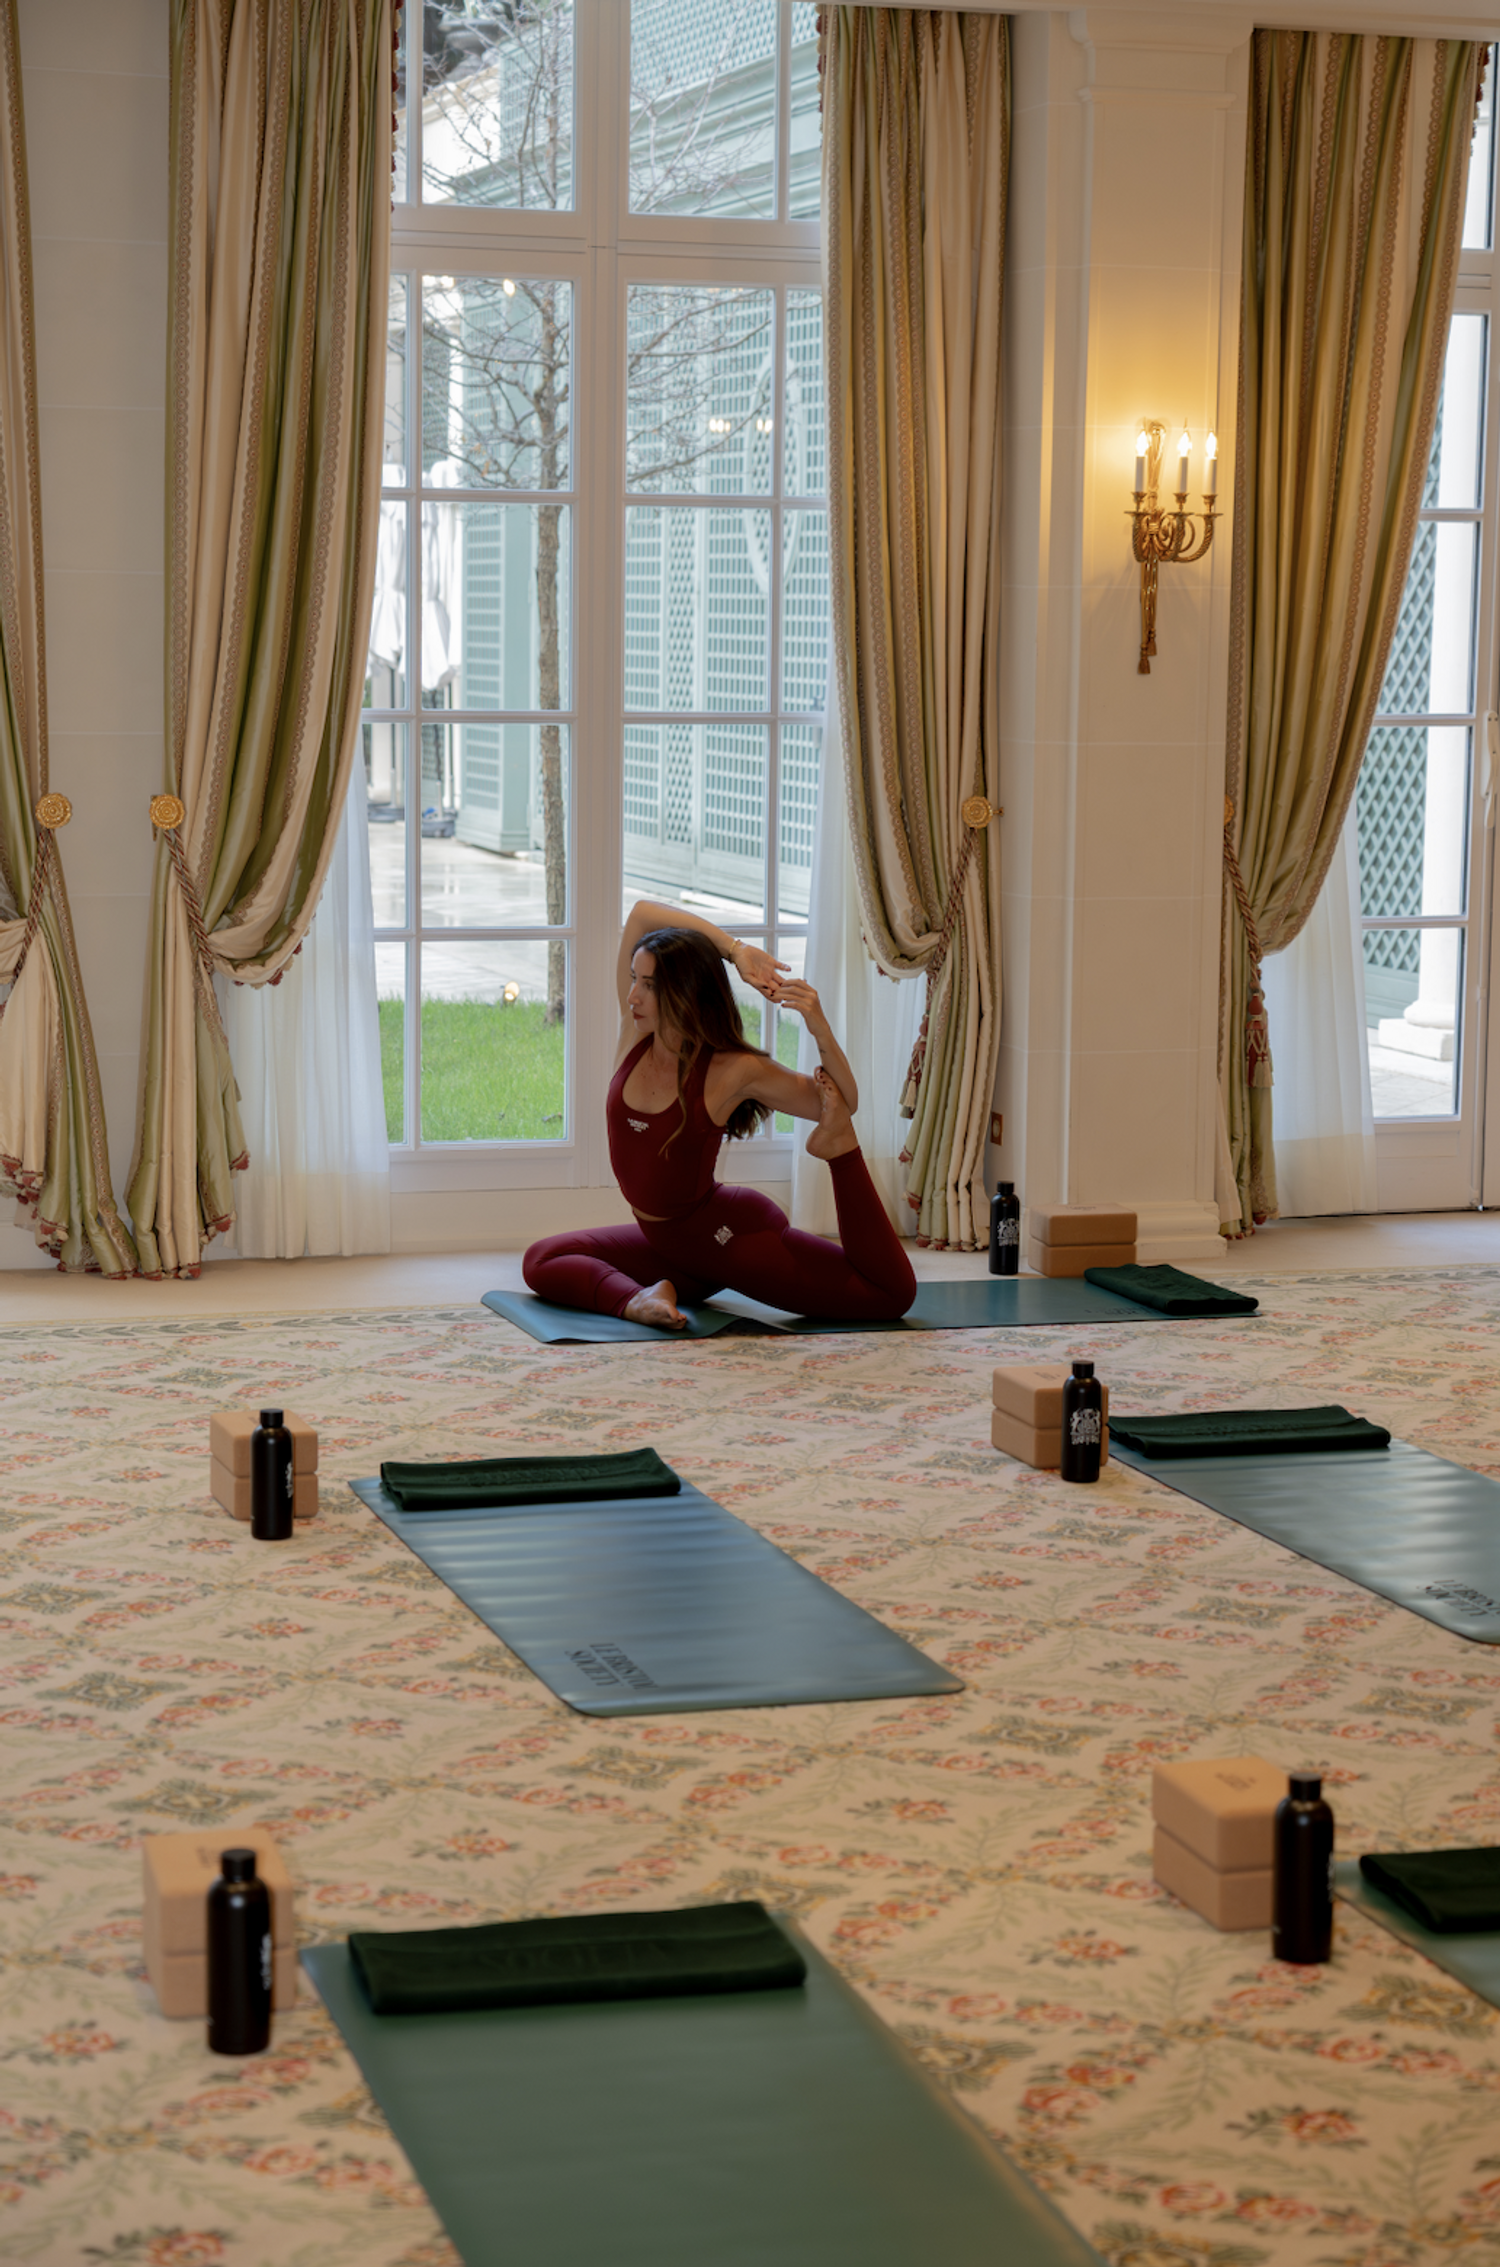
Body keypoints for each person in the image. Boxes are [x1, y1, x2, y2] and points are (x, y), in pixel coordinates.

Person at [522, 899, 917, 1328]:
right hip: (667, 1244)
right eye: (635, 979)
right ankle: (641, 1299)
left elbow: (844, 1102)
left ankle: (839, 1151)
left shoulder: (731, 1070)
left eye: (649, 985)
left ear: (684, 990)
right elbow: (641, 914)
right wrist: (734, 949)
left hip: (724, 1238)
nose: (633, 995)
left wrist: (818, 1026)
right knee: (542, 1259)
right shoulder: (633, 1034)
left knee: (888, 1295)